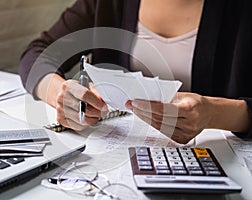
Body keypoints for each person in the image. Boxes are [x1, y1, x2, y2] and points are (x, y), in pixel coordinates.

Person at [19, 0, 252, 144]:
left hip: (222, 162)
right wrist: (59, 93)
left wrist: (215, 114)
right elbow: (39, 53)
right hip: (119, 158)